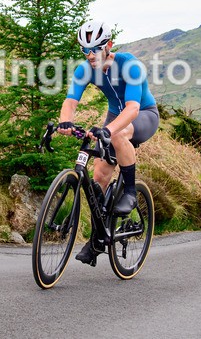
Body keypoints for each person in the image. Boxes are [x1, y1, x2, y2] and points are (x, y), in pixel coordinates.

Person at [57, 19, 159, 265]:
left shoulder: (129, 65)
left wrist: (109, 130)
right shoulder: (85, 69)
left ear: (109, 45)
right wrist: (65, 122)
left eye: (94, 49)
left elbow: (133, 108)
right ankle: (96, 240)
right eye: (84, 49)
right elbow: (71, 101)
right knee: (99, 176)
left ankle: (132, 192)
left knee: (116, 134)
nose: (89, 55)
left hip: (144, 114)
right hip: (115, 116)